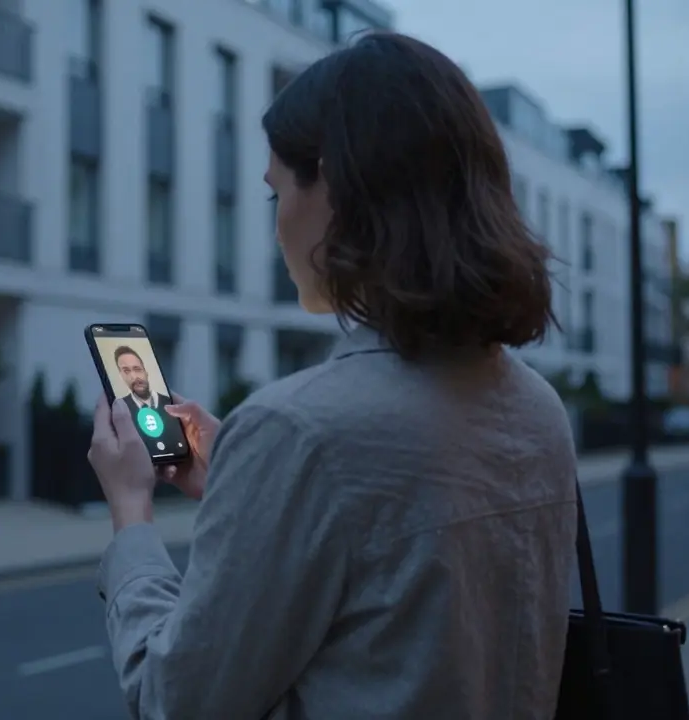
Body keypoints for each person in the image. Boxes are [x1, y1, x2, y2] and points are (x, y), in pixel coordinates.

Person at [87, 31, 577, 720]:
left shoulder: (299, 432)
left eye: (275, 195)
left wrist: (131, 516)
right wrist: (244, 470)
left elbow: (177, 701)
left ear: (336, 188)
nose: (277, 224)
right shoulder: (539, 407)